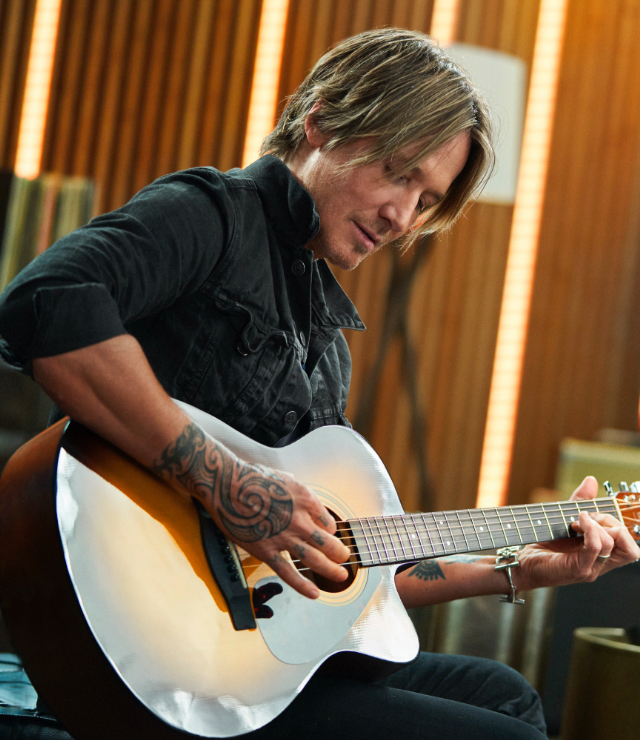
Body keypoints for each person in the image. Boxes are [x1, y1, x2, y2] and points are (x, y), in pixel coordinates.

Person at [0, 27, 638, 740]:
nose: (403, 218)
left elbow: (352, 571)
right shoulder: (213, 214)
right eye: (398, 172)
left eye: (427, 201)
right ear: (325, 121)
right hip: (152, 636)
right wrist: (225, 486)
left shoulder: (330, 347)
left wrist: (527, 566)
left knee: (503, 694)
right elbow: (46, 302)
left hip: (253, 647)